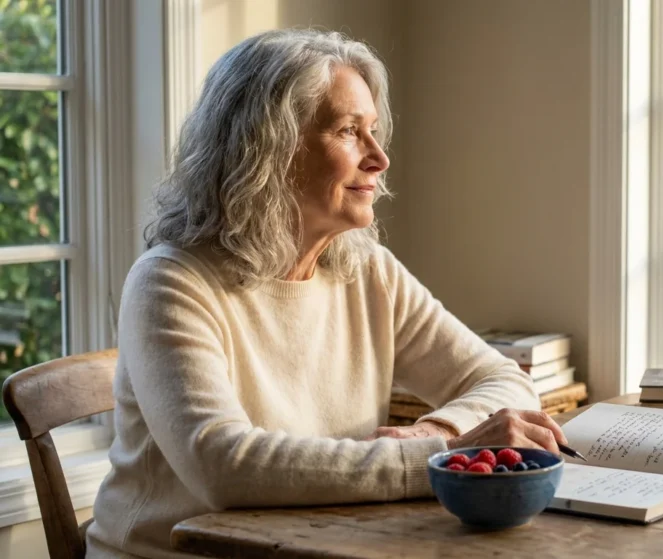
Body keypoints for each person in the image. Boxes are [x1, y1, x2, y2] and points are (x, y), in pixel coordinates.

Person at [86, 28, 568, 558]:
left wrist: (432, 430)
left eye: (375, 131)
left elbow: (502, 379)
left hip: (321, 545)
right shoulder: (171, 282)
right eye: (348, 131)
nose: (379, 158)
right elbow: (223, 467)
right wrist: (446, 451)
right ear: (265, 147)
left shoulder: (366, 270)